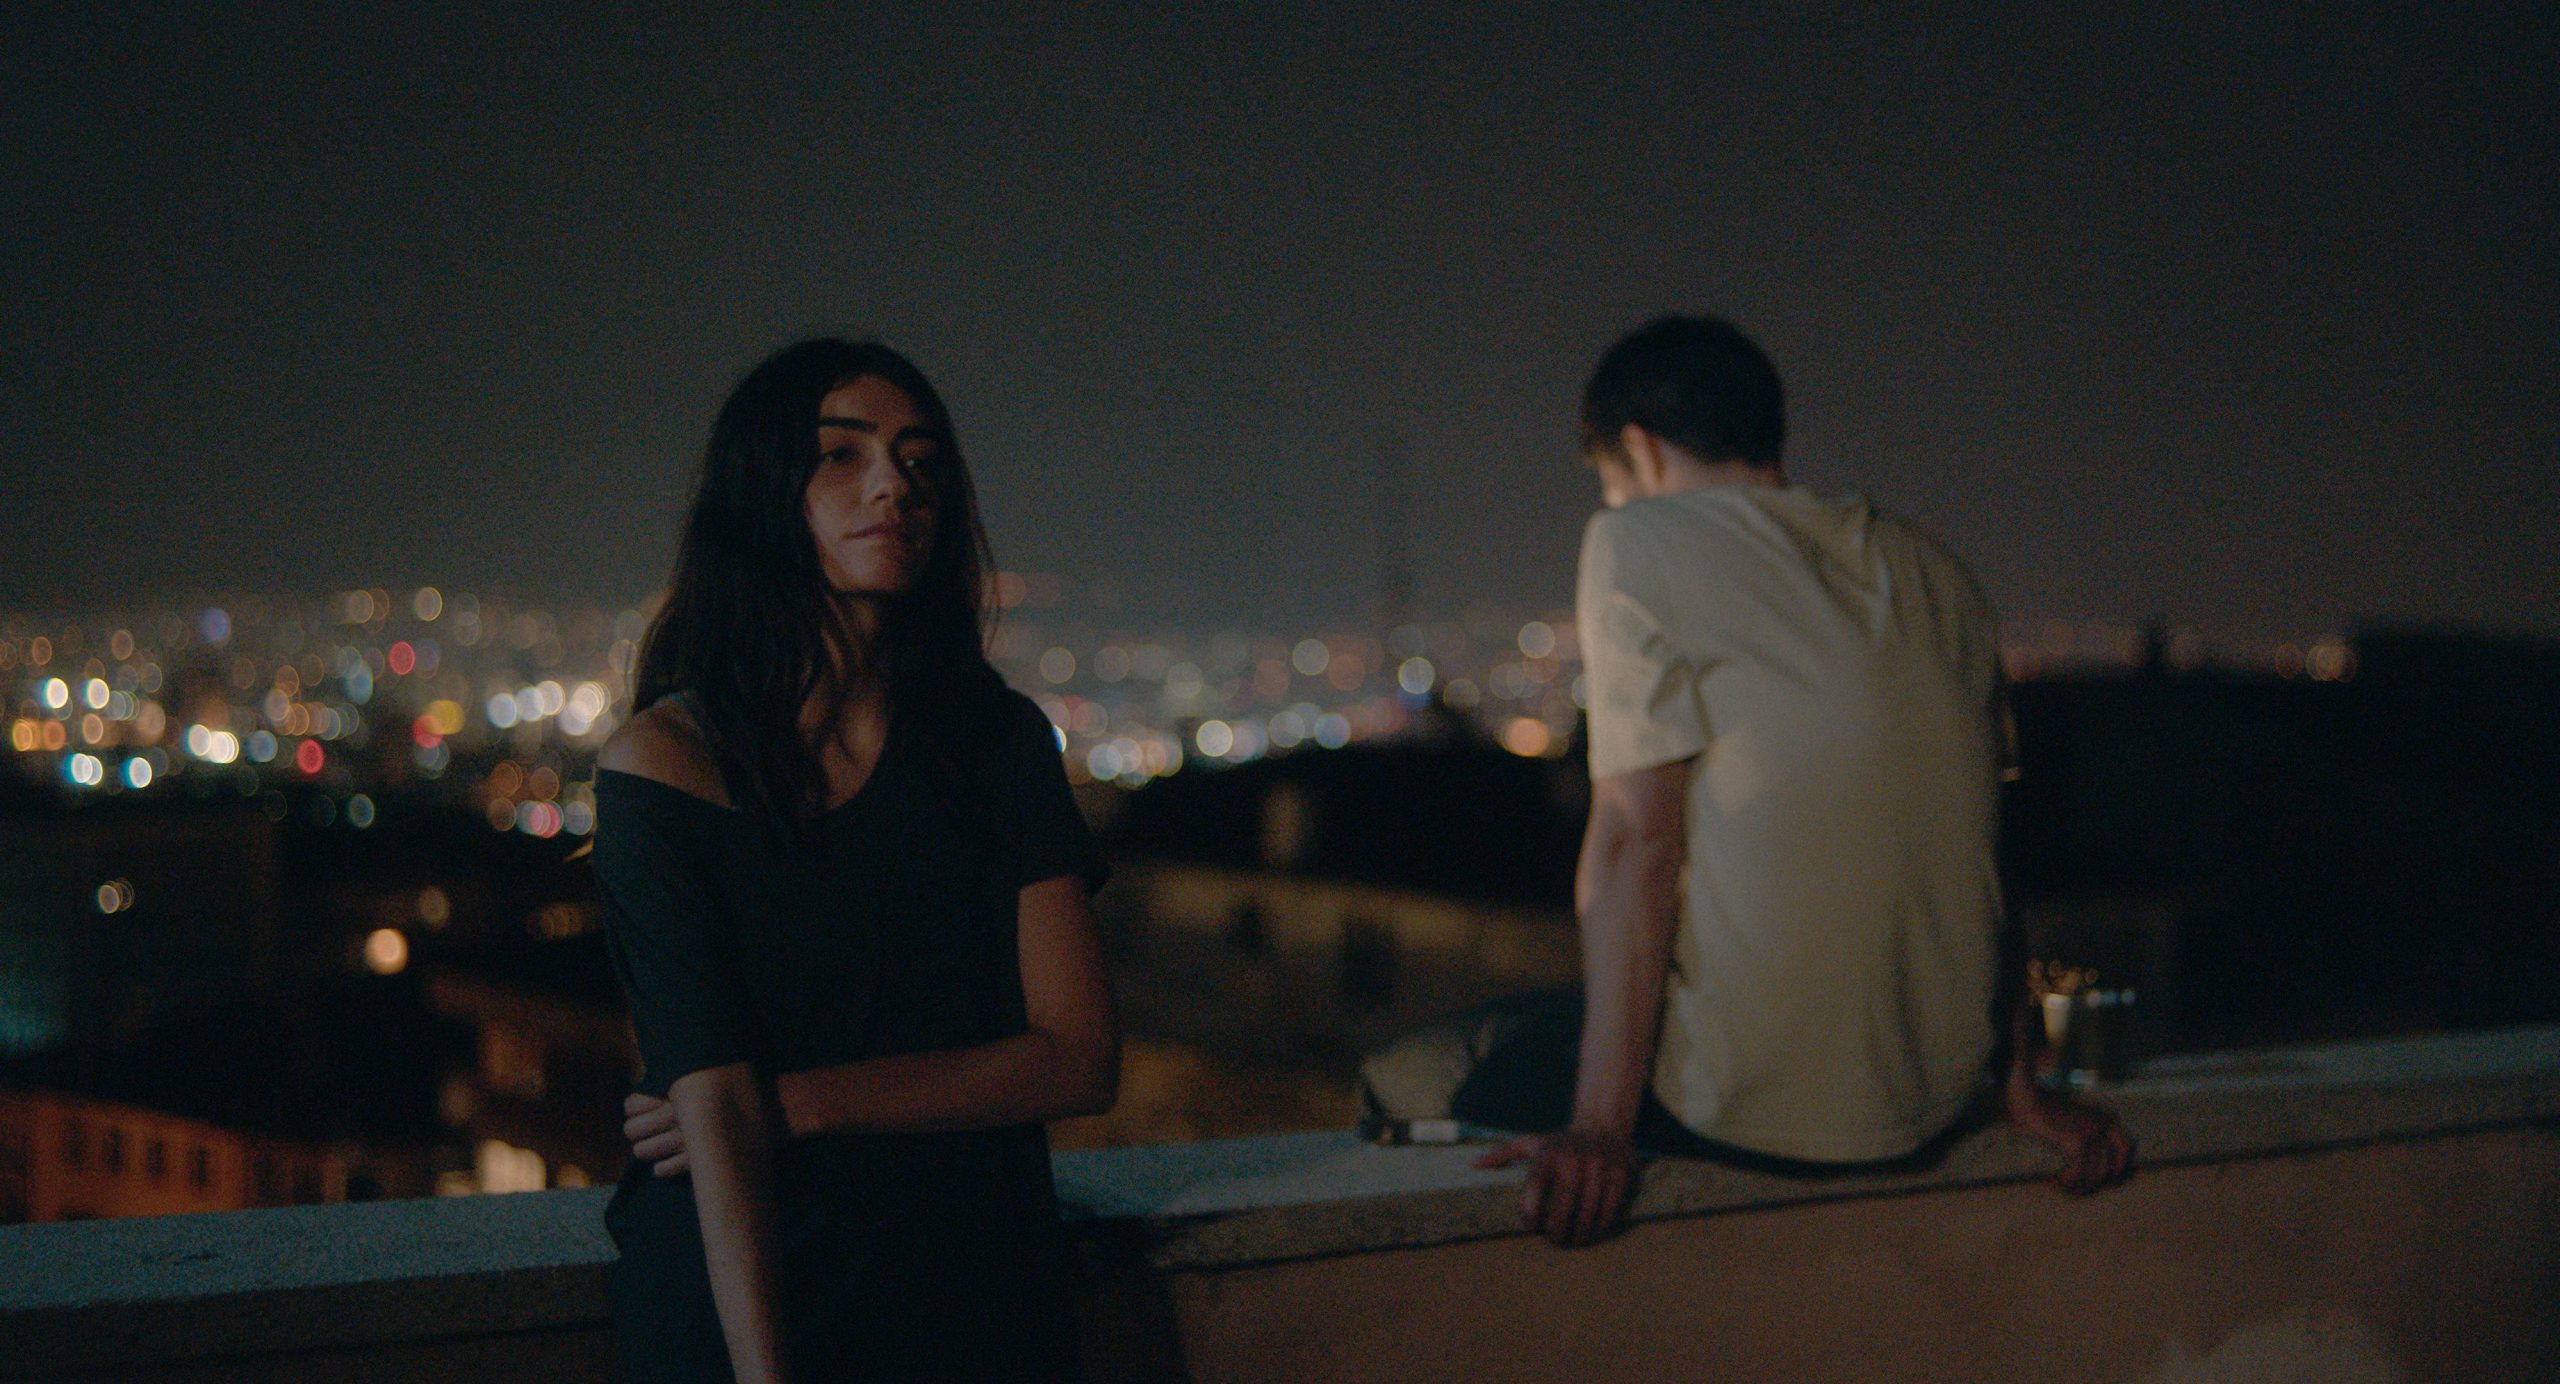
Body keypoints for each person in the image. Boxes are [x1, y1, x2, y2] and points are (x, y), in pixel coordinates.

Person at [1360, 315, 2131, 1246]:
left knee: (1404, 1077)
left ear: (1640, 450)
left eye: (1611, 481)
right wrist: (2019, 1084)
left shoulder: (1639, 539)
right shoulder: (1940, 574)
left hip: (1749, 1112)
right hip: (1935, 1098)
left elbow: (1638, 841)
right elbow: (1983, 853)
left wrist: (1600, 1127)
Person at [593, 338, 1118, 1382]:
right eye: (842, 454)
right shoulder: (665, 763)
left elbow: (1078, 1057)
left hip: (967, 1292)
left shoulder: (997, 745)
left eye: (921, 462)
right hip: (742, 1295)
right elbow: (713, 1115)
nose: (894, 485)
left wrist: (789, 1102)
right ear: (763, 491)